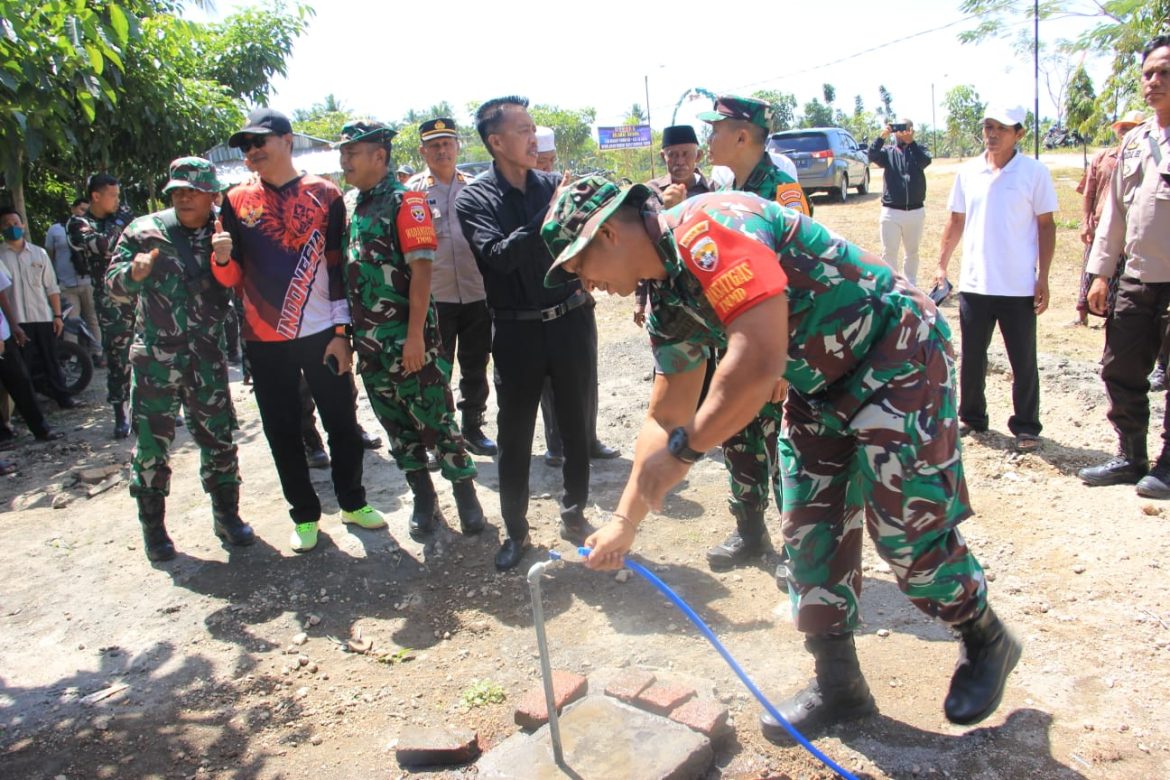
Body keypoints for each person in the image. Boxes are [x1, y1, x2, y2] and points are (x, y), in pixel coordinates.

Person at [541, 175, 1020, 741]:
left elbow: (758, 358)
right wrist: (624, 522)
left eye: (578, 264)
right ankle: (840, 686)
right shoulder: (666, 297)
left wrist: (689, 451)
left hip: (894, 355)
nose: (585, 283)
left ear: (610, 235)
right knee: (809, 532)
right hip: (819, 384)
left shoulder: (710, 228)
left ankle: (984, 634)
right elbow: (664, 416)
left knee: (905, 531)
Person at [212, 107, 385, 553]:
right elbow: (230, 279)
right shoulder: (234, 201)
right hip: (263, 340)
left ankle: (353, 502)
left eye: (259, 142)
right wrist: (223, 258)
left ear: (286, 141)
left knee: (342, 424)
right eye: (245, 147)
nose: (251, 152)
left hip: (322, 333)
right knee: (282, 430)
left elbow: (338, 268)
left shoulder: (325, 194)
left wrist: (342, 332)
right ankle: (305, 515)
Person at [454, 95, 595, 571]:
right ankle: (516, 532)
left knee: (577, 428)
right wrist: (550, 213)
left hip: (571, 320)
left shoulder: (554, 184)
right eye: (523, 130)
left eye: (534, 128)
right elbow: (498, 255)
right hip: (516, 333)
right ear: (496, 142)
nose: (534, 137)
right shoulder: (476, 198)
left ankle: (575, 515)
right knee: (515, 437)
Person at [335, 119, 486, 537]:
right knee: (396, 426)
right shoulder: (351, 205)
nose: (344, 160)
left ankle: (465, 495)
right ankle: (423, 496)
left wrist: (416, 336)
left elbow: (421, 274)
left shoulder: (408, 202)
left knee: (436, 421)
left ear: (379, 156)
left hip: (409, 341)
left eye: (352, 152)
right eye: (343, 152)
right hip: (370, 344)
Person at [106, 157, 253, 562]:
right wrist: (131, 276)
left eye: (194, 191)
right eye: (178, 192)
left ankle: (227, 516)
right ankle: (153, 529)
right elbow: (111, 286)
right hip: (156, 359)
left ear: (212, 195)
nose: (185, 198)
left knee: (219, 440)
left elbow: (245, 281)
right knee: (153, 446)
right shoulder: (144, 231)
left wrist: (225, 258)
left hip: (206, 358)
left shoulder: (227, 230)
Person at [696, 95, 802, 573]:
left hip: (770, 349)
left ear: (742, 135)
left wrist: (782, 359)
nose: (709, 137)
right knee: (737, 436)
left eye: (716, 128)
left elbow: (798, 278)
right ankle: (749, 533)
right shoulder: (726, 190)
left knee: (783, 446)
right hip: (734, 344)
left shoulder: (782, 192)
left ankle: (793, 545)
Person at [1078, 36, 1170, 497]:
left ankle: (1168, 464)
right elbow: (1114, 213)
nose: (1153, 81)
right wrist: (1100, 273)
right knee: (1119, 367)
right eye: (1148, 73)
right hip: (1136, 278)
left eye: (1164, 72)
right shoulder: (1135, 141)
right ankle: (1131, 456)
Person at [935, 105, 1057, 453]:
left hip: (1018, 286)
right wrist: (941, 264)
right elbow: (955, 220)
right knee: (972, 357)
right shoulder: (969, 172)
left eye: (1001, 128)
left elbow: (1046, 226)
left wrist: (1043, 277)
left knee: (1023, 359)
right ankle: (972, 417)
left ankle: (1026, 426)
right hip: (975, 284)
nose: (992, 133)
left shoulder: (1034, 173)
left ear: (1018, 133)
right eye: (988, 126)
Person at [407, 117, 497, 457]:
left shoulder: (476, 187)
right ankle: (435, 437)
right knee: (434, 369)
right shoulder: (414, 193)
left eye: (447, 143)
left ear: (457, 147)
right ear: (423, 151)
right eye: (434, 145)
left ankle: (473, 428)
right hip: (435, 297)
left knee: (476, 364)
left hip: (476, 293)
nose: (442, 150)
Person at [530, 125, 619, 468]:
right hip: (543, 304)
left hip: (578, 298)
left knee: (586, 374)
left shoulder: (569, 193)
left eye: (550, 161)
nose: (547, 168)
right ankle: (558, 445)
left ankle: (589, 437)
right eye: (540, 161)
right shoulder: (524, 198)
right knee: (550, 382)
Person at [68, 174, 135, 437]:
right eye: (113, 195)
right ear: (96, 196)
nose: (118, 201)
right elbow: (103, 245)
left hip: (137, 292)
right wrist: (121, 221)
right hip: (110, 300)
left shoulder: (115, 220)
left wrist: (118, 223)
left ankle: (146, 409)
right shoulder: (79, 223)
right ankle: (121, 413)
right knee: (118, 358)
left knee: (146, 351)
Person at [1072, 110, 1145, 328]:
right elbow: (1089, 192)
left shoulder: (1146, 159)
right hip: (1099, 225)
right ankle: (1081, 313)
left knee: (1119, 274)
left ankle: (1112, 316)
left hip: (1128, 229)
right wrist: (1086, 222)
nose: (1125, 133)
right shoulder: (1102, 158)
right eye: (1122, 129)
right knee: (1091, 269)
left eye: (1130, 129)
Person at [0, 207, 77, 409]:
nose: (12, 228)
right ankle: (28, 406)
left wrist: (58, 315)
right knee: (21, 368)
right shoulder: (0, 256)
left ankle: (64, 398)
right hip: (15, 321)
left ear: (22, 225)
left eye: (15, 223)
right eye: (7, 224)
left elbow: (51, 287)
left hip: (42, 315)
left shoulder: (39, 253)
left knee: (51, 359)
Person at [637, 125, 713, 327]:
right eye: (673, 155)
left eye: (686, 154)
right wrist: (640, 300)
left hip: (711, 294)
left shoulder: (713, 190)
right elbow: (642, 247)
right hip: (669, 302)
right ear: (663, 157)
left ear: (698, 156)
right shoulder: (649, 193)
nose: (680, 161)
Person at [0, 269, 63, 443]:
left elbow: (2, 296)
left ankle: (41, 429)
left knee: (21, 381)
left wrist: (13, 326)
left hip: (4, 335)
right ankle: (4, 435)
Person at [868, 117, 931, 287]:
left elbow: (925, 161)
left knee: (912, 252)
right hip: (891, 212)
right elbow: (872, 155)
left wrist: (912, 144)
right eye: (898, 129)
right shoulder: (888, 152)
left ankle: (910, 285)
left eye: (906, 129)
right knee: (889, 252)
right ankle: (891, 285)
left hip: (915, 211)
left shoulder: (918, 150)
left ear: (912, 131)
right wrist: (882, 137)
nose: (902, 133)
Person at [46, 198, 103, 366]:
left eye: (86, 209)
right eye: (80, 208)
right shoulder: (56, 230)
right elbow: (50, 255)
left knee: (92, 318)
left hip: (87, 281)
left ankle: (97, 353)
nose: (82, 212)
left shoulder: (91, 228)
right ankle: (72, 357)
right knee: (71, 320)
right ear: (73, 208)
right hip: (66, 283)